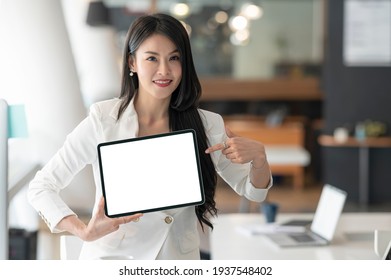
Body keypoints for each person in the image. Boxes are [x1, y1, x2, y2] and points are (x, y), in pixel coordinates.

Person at [28, 13, 273, 260]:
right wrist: (83, 231)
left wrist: (259, 160)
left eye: (174, 58)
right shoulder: (103, 120)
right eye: (152, 59)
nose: (164, 70)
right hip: (115, 263)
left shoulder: (208, 124)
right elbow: (41, 187)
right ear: (132, 63)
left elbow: (254, 192)